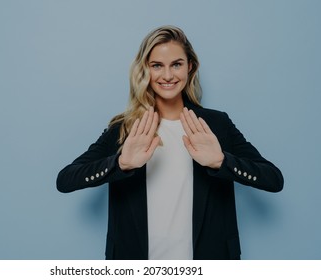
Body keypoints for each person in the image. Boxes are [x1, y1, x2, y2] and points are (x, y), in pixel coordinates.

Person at [56, 25, 284, 260]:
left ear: (190, 67)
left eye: (176, 64)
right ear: (145, 69)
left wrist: (222, 162)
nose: (167, 76)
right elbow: (65, 180)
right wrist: (120, 163)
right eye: (157, 66)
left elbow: (274, 179)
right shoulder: (125, 129)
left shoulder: (216, 124)